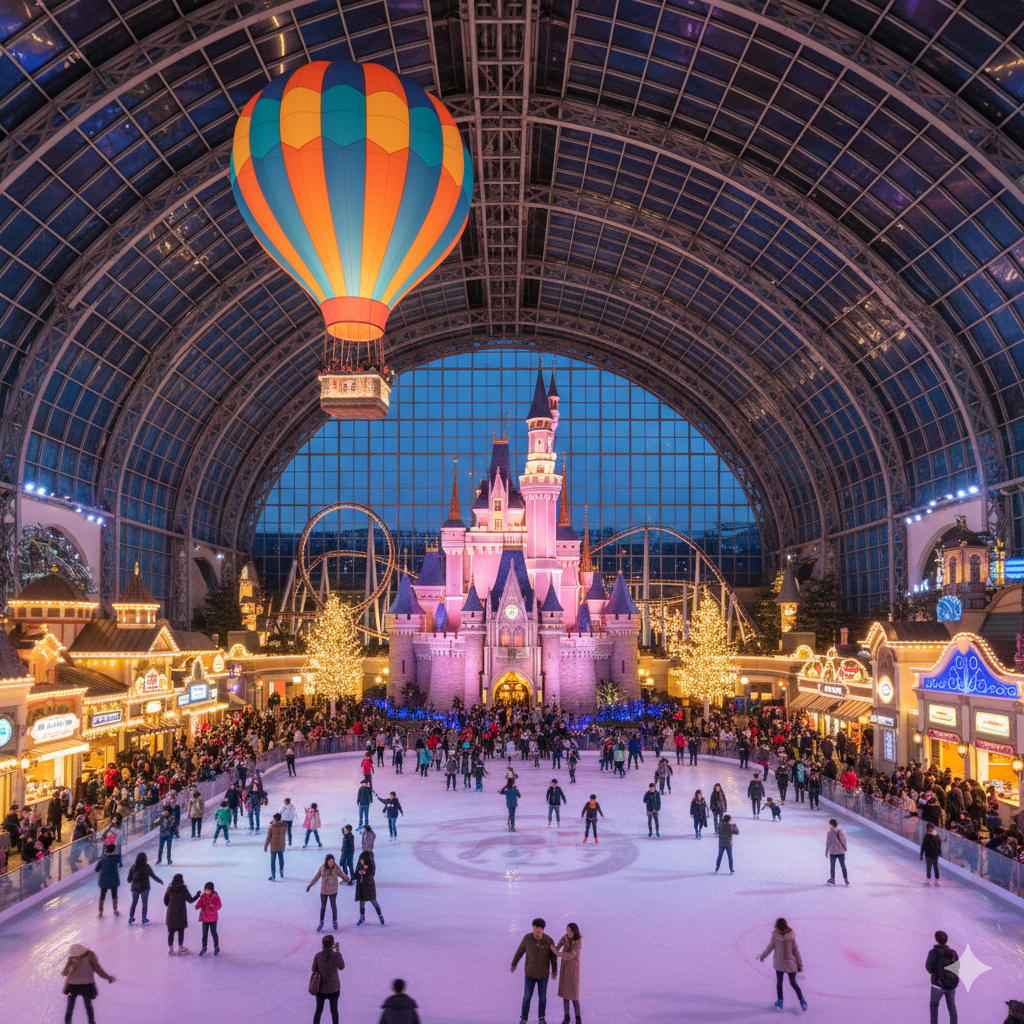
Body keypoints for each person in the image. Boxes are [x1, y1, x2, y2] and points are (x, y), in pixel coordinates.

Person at [511, 917, 558, 1024]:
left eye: (539, 932)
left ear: (543, 930)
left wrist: (554, 970)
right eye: (535, 931)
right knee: (527, 997)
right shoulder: (527, 938)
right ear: (533, 929)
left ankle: (541, 1018)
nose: (537, 934)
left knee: (542, 998)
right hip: (530, 974)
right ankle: (523, 1018)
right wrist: (514, 963)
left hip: (543, 975)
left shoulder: (548, 941)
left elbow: (553, 957)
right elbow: (520, 951)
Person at [757, 917, 806, 1011]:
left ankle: (780, 1002)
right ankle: (802, 1001)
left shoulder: (775, 936)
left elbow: (769, 948)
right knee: (793, 982)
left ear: (777, 926)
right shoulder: (791, 935)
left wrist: (762, 957)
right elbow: (796, 951)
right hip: (791, 963)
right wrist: (800, 964)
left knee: (779, 982)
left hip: (779, 963)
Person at [61, 943, 115, 1023]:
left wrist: (71, 967)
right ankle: (91, 1021)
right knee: (88, 1005)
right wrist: (107, 977)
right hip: (86, 986)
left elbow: (65, 972)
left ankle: (67, 1022)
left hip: (73, 986)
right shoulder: (90, 957)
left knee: (70, 1007)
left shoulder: (73, 958)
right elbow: (98, 970)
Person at [925, 930, 959, 1024]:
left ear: (936, 939)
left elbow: (929, 968)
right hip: (950, 984)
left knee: (934, 1005)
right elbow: (957, 966)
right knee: (952, 1007)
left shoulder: (933, 952)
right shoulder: (953, 953)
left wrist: (938, 972)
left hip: (937, 984)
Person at [310, 934, 346, 1024]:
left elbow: (314, 969)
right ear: (332, 943)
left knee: (318, 1011)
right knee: (334, 1011)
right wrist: (337, 952)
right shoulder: (336, 956)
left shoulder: (318, 956)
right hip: (334, 988)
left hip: (321, 988)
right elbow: (341, 966)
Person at [554, 922, 583, 1024]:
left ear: (575, 931)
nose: (568, 933)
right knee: (565, 995)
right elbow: (561, 941)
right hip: (565, 969)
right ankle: (566, 1017)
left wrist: (559, 953)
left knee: (574, 996)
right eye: (567, 930)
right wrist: (556, 948)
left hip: (573, 971)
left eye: (570, 931)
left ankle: (578, 1018)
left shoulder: (579, 942)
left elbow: (571, 955)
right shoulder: (566, 937)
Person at [308, 853, 344, 932]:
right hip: (324, 891)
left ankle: (335, 922)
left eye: (332, 861)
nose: (331, 863)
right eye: (330, 861)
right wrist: (310, 885)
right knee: (323, 907)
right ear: (326, 861)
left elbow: (341, 874)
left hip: (333, 890)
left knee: (333, 906)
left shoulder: (336, 867)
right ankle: (321, 922)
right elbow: (316, 878)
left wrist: (347, 879)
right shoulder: (322, 868)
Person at [163, 872, 198, 954]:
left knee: (171, 931)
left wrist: (171, 906)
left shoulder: (170, 889)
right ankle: (180, 947)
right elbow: (190, 900)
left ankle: (170, 948)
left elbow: (165, 901)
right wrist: (197, 895)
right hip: (180, 912)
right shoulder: (183, 889)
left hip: (171, 913)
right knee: (181, 931)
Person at [126, 851, 162, 925]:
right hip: (145, 888)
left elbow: (129, 879)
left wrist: (131, 879)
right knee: (144, 903)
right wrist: (159, 881)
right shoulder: (147, 867)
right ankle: (144, 918)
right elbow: (153, 875)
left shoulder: (134, 867)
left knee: (134, 903)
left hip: (135, 888)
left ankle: (131, 917)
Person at [355, 850, 384, 925]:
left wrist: (365, 872)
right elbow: (356, 873)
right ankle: (362, 917)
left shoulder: (371, 864)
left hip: (369, 886)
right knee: (362, 903)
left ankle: (380, 915)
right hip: (361, 887)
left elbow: (372, 874)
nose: (361, 861)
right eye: (360, 860)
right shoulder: (359, 864)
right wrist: (358, 873)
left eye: (362, 860)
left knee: (373, 901)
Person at [94, 842, 121, 918]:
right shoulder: (116, 858)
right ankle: (115, 910)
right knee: (114, 895)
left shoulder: (102, 859)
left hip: (104, 881)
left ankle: (100, 912)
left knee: (102, 896)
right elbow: (120, 864)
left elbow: (96, 869)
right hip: (114, 880)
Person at [196, 881, 222, 956]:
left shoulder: (215, 896)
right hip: (205, 918)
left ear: (211, 890)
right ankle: (204, 947)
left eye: (208, 890)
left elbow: (219, 905)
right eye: (205, 890)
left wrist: (213, 907)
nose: (206, 891)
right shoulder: (203, 896)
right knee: (204, 933)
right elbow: (199, 903)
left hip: (213, 918)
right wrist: (198, 905)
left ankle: (216, 947)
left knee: (214, 932)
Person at [825, 818, 849, 885]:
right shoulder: (841, 831)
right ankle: (846, 879)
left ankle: (832, 879)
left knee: (832, 866)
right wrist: (845, 848)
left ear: (831, 825)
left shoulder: (829, 833)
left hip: (833, 852)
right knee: (843, 865)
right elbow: (844, 840)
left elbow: (828, 843)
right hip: (841, 852)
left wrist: (826, 852)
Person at [265, 812, 288, 880]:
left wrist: (266, 846)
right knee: (281, 859)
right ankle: (281, 872)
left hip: (274, 846)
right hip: (281, 845)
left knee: (273, 861)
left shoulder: (272, 827)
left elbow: (268, 837)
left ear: (274, 818)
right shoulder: (284, 825)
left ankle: (273, 875)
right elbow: (284, 823)